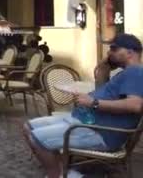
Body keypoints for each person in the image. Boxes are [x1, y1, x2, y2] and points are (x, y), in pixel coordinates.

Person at [22, 34, 143, 178]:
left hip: (100, 132)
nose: (109, 52)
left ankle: (57, 174)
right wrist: (103, 70)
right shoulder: (126, 73)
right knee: (28, 127)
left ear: (130, 52)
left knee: (37, 138)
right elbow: (102, 91)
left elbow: (135, 105)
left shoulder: (136, 72)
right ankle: (64, 170)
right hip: (84, 122)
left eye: (114, 48)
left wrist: (94, 103)